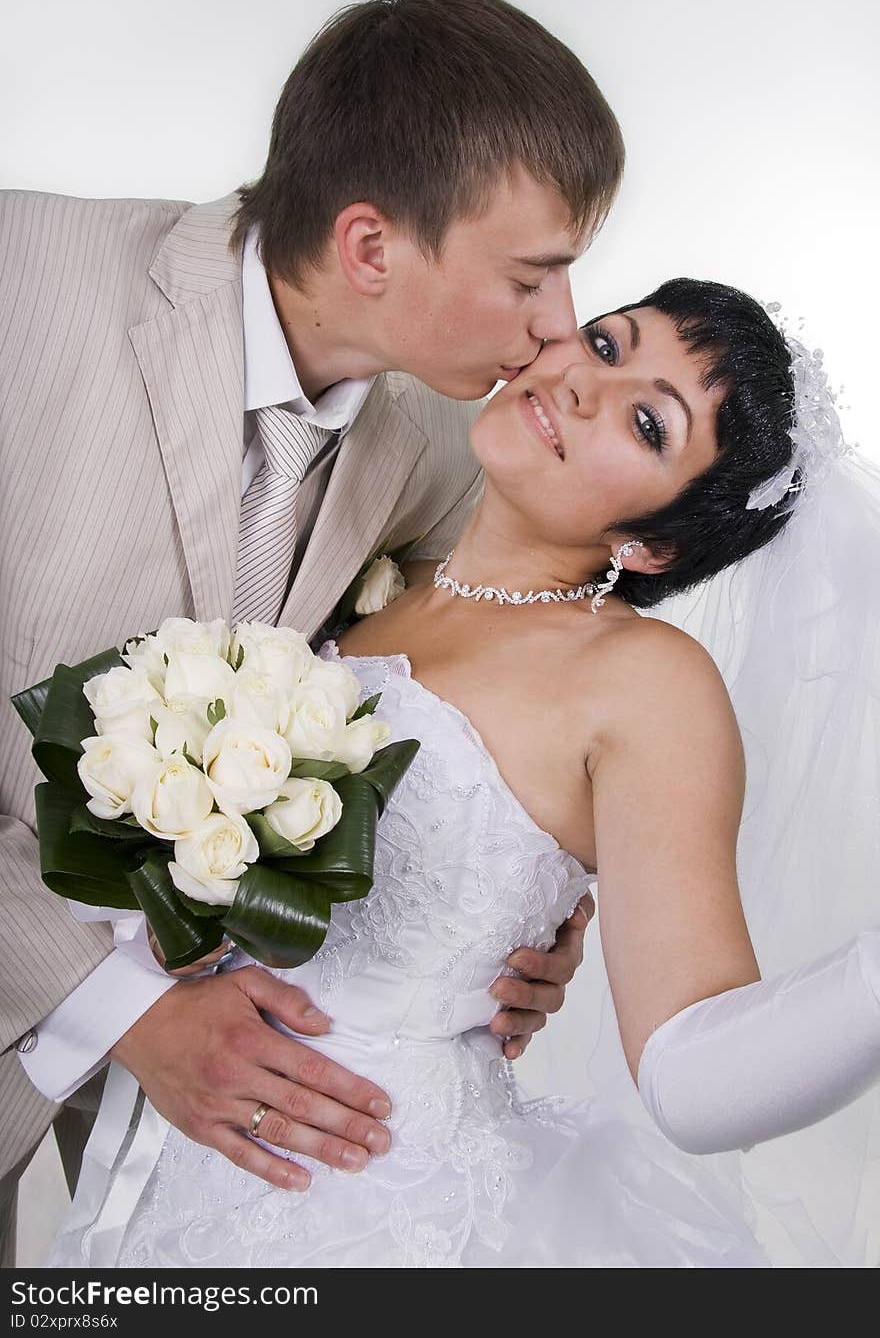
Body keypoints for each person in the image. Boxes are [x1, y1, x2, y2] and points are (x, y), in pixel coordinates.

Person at [51, 278, 880, 1268]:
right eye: (609, 345)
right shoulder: (364, 561)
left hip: (381, 1215)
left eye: (647, 421)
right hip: (168, 1169)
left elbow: (694, 1076)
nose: (584, 385)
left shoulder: (645, 681)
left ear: (648, 542)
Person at [0, 0, 624, 1262]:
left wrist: (529, 888)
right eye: (531, 275)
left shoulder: (448, 433)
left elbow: (526, 637)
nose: (559, 325)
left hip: (220, 1170)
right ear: (371, 247)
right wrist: (119, 1007)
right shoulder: (22, 291)